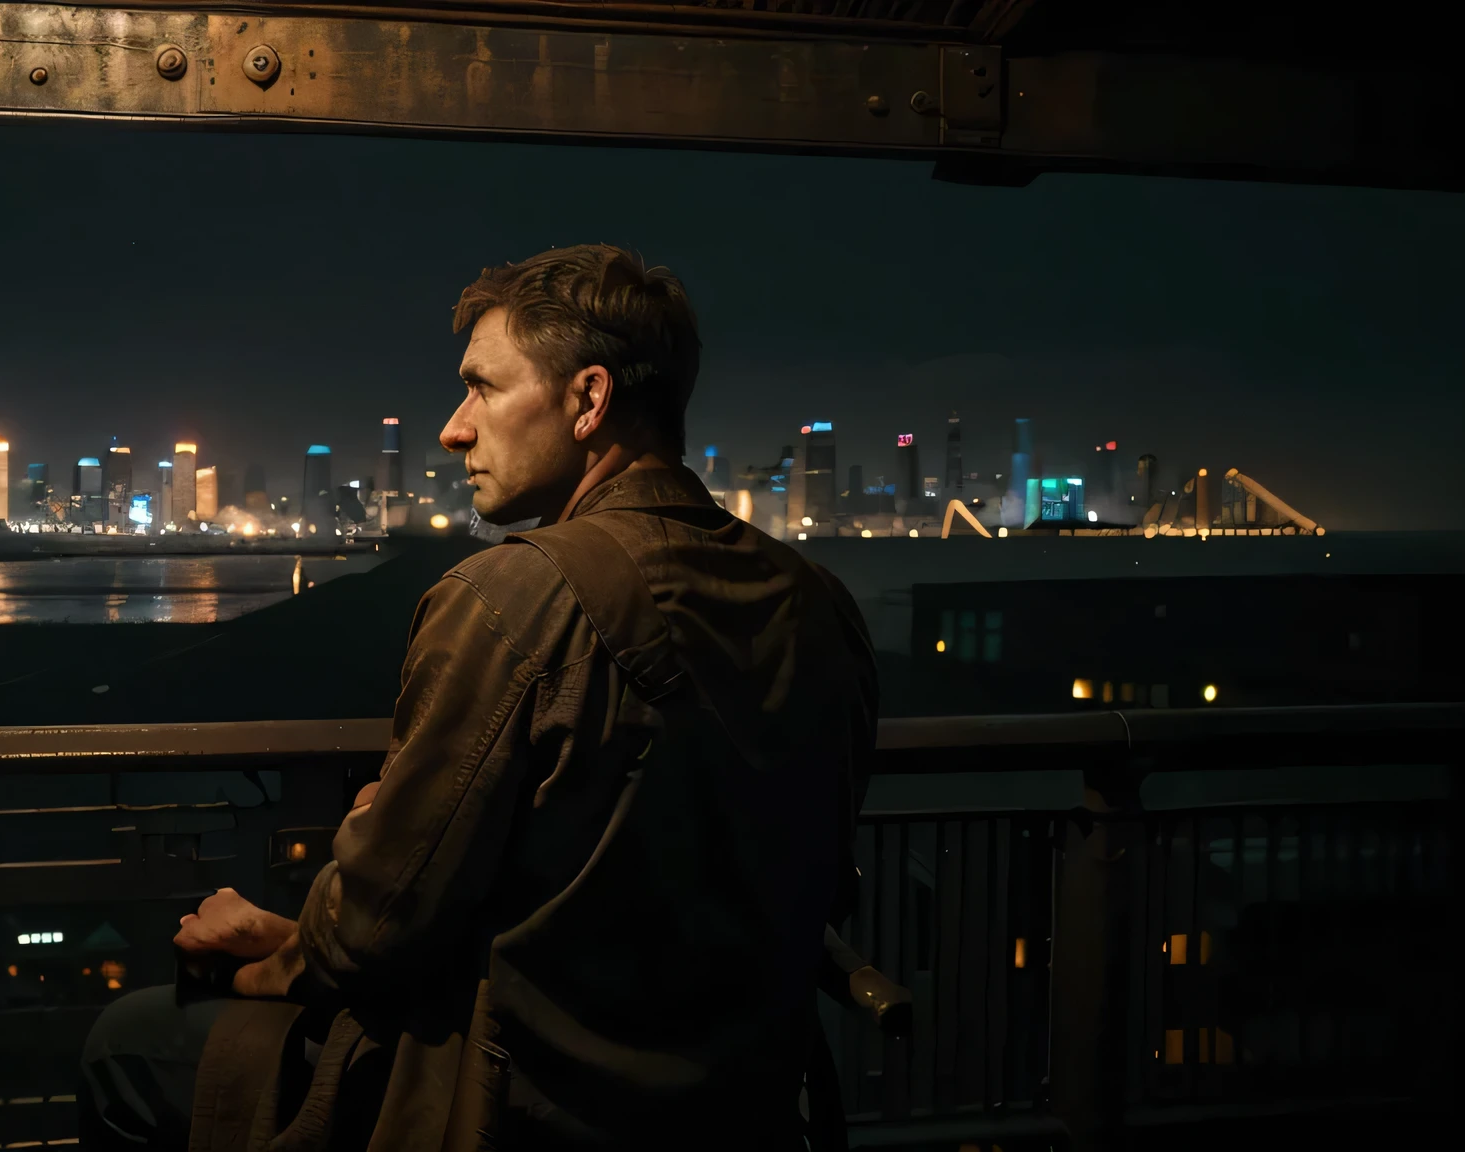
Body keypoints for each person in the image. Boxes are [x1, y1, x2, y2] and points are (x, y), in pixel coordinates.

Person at [81, 244, 879, 1150]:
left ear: (588, 400)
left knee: (127, 1048)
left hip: (519, 1101)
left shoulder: (509, 598)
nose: (456, 430)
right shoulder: (821, 605)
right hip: (740, 1108)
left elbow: (380, 924)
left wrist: (288, 939)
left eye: (484, 389)